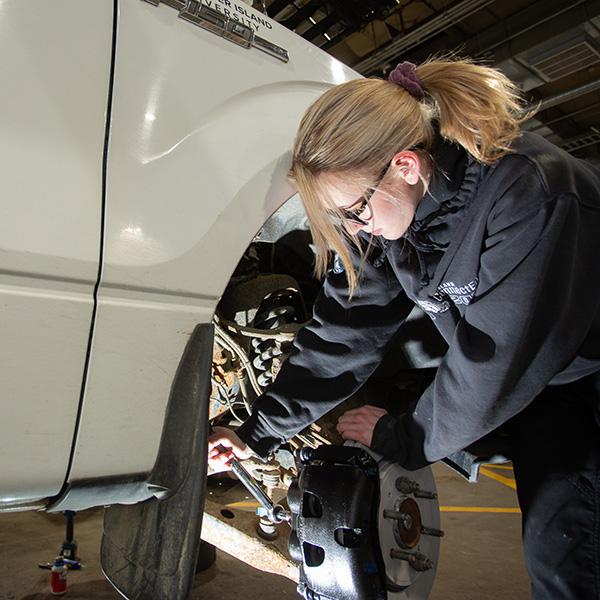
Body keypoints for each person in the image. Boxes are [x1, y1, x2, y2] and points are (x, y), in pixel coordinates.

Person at [208, 58, 600, 599]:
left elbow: (495, 356)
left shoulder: (530, 193)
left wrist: (404, 436)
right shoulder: (391, 211)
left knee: (569, 562)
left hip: (586, 381)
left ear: (407, 166)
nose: (352, 227)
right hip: (548, 383)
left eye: (354, 211)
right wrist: (256, 433)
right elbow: (345, 331)